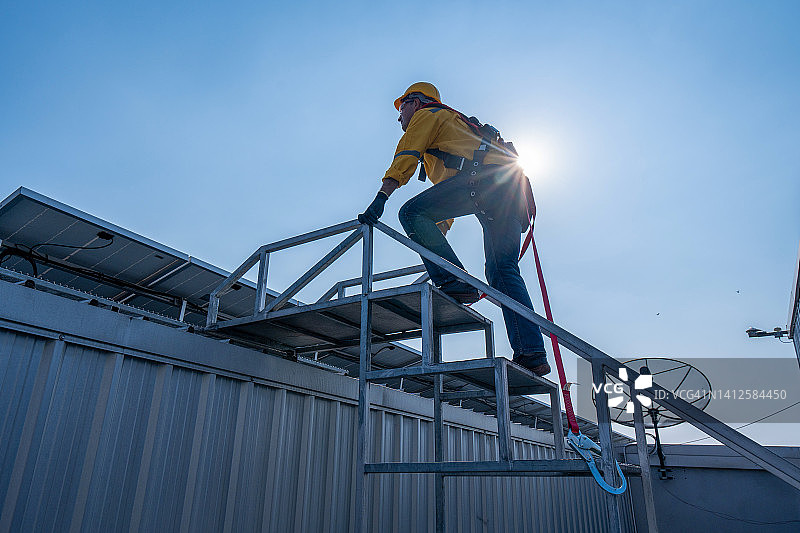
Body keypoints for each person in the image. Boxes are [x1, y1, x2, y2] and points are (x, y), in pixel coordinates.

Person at [358, 82, 550, 376]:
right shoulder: (454, 130)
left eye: (402, 108)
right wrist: (433, 250)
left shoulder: (428, 115)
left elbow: (406, 156)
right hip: (510, 193)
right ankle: (532, 353)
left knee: (409, 212)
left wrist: (381, 198)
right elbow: (441, 210)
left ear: (417, 102)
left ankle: (458, 284)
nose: (400, 117)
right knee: (502, 271)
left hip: (483, 184)